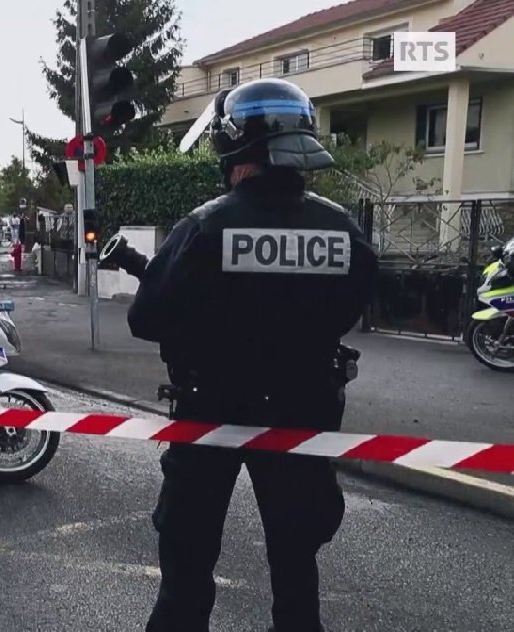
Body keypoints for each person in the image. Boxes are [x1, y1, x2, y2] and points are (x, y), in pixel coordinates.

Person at [103, 78, 379, 632]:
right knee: (297, 567)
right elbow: (356, 301)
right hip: (304, 414)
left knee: (187, 568)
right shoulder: (342, 230)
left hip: (211, 415)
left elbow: (146, 318)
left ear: (231, 147)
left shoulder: (206, 226)